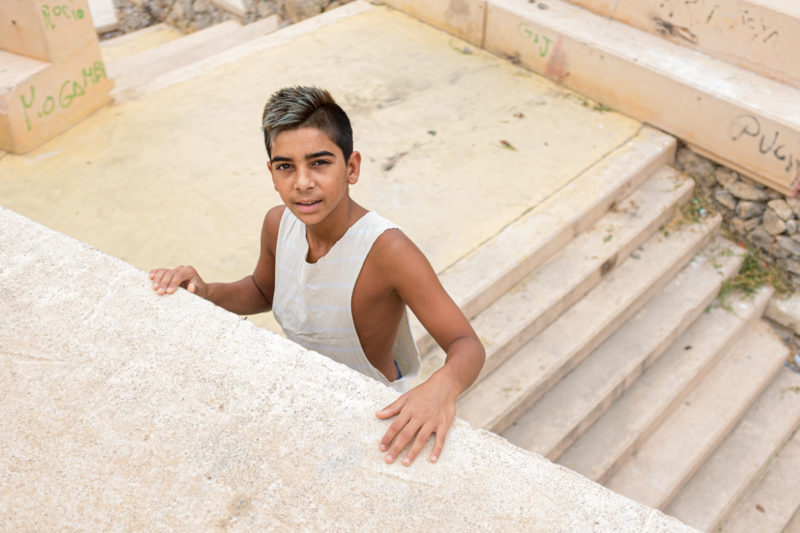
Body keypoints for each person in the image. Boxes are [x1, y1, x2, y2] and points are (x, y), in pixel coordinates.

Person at [149, 86, 485, 466]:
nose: (302, 182)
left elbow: (466, 343)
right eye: (285, 166)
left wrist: (442, 386)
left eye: (320, 163)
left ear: (352, 167)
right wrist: (206, 292)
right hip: (305, 391)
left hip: (372, 411)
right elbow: (263, 289)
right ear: (272, 174)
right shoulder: (278, 224)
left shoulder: (387, 250)